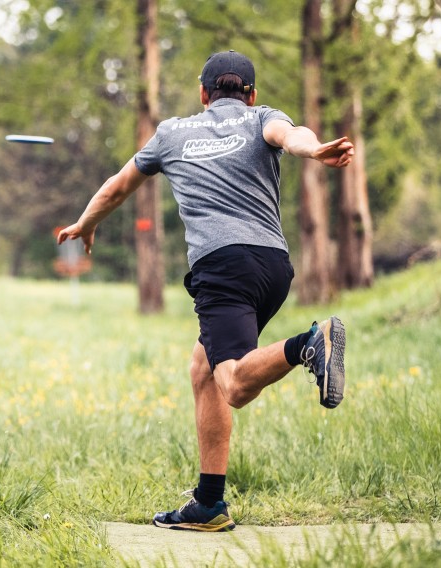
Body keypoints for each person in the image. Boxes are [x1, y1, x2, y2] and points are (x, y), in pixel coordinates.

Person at [57, 50, 352, 532]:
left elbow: (116, 187)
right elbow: (290, 136)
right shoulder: (263, 118)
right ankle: (208, 503)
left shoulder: (172, 133)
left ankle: (309, 345)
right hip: (274, 268)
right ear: (251, 94)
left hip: (223, 268)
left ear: (203, 94)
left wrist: (85, 224)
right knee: (203, 367)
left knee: (232, 383)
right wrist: (315, 150)